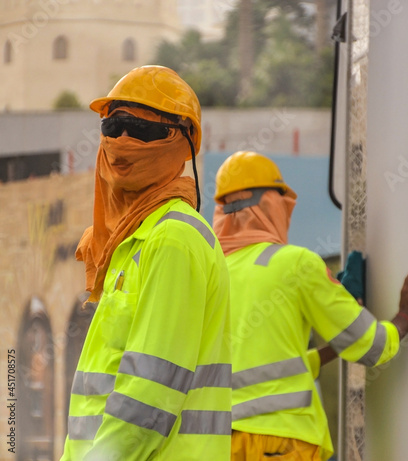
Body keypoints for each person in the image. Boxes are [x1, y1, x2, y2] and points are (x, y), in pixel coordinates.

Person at [212, 150, 408, 461]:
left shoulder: (211, 275)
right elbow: (373, 348)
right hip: (282, 445)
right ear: (273, 205)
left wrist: (338, 341)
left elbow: (268, 368)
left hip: (219, 445)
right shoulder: (294, 264)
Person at [61, 65, 232, 460]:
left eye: (142, 130)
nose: (122, 141)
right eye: (114, 125)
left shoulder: (173, 239)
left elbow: (149, 394)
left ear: (181, 141)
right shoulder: (132, 241)